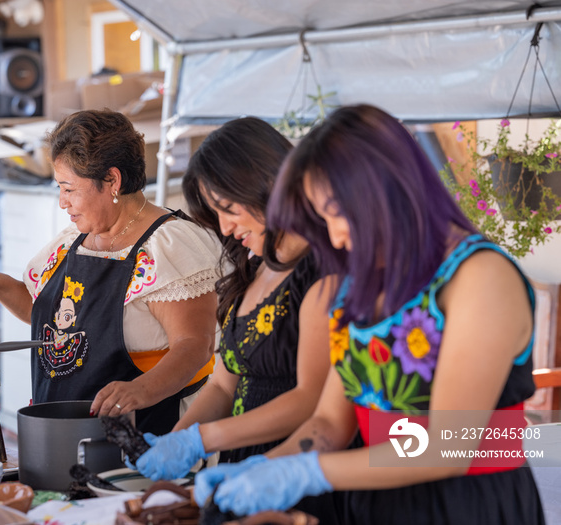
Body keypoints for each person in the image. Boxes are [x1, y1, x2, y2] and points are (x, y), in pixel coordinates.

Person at [194, 104, 545, 525]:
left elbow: (447, 447)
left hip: (463, 507)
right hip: (370, 503)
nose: (336, 236)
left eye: (338, 213)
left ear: (387, 188)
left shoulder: (480, 276)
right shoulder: (358, 282)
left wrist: (307, 471)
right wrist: (260, 469)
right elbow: (328, 422)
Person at [0, 110, 222, 435]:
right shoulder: (74, 241)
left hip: (147, 430)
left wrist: (140, 390)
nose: (62, 202)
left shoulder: (165, 248)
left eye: (69, 188)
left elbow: (193, 344)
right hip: (67, 432)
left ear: (112, 181)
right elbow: (56, 317)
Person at [129, 117, 338, 519]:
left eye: (228, 209)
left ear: (266, 182)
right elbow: (225, 384)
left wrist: (201, 440)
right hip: (240, 466)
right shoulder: (254, 266)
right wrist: (177, 443)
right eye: (215, 214)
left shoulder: (322, 271)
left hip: (295, 467)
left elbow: (312, 398)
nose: (225, 227)